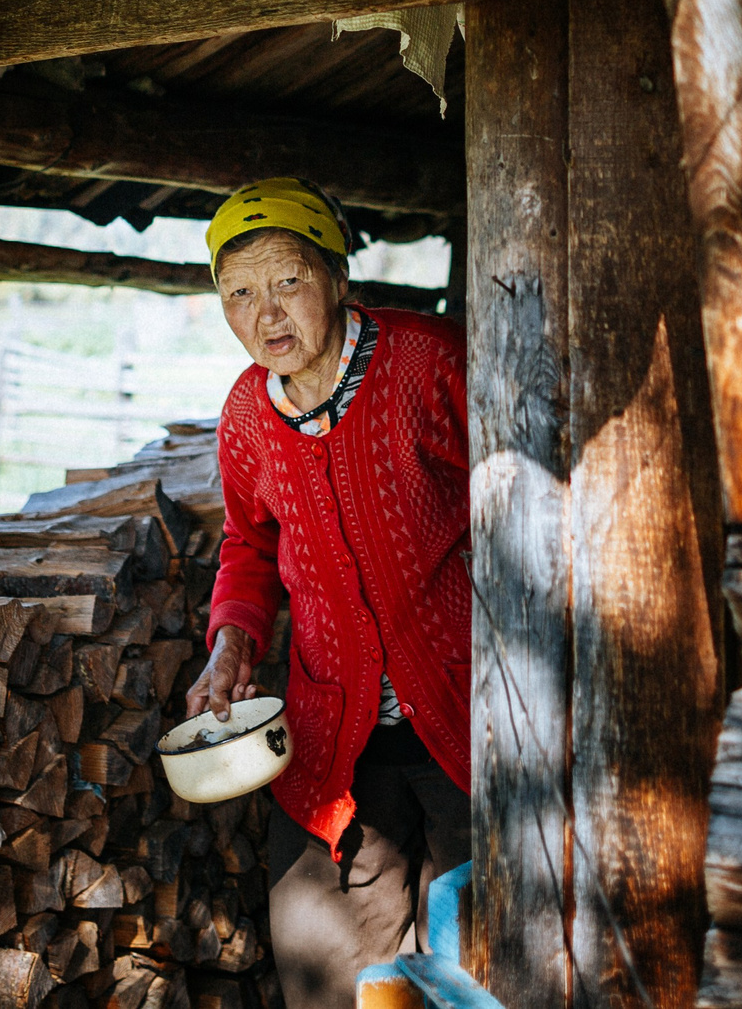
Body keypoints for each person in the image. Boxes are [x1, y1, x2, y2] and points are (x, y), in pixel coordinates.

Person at [186, 178, 470, 1009]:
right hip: (334, 734)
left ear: (338, 278)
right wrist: (231, 643)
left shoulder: (431, 362)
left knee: (483, 960)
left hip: (470, 719)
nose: (266, 313)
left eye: (287, 280)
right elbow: (250, 544)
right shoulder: (247, 414)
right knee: (326, 970)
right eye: (239, 293)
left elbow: (527, 496)